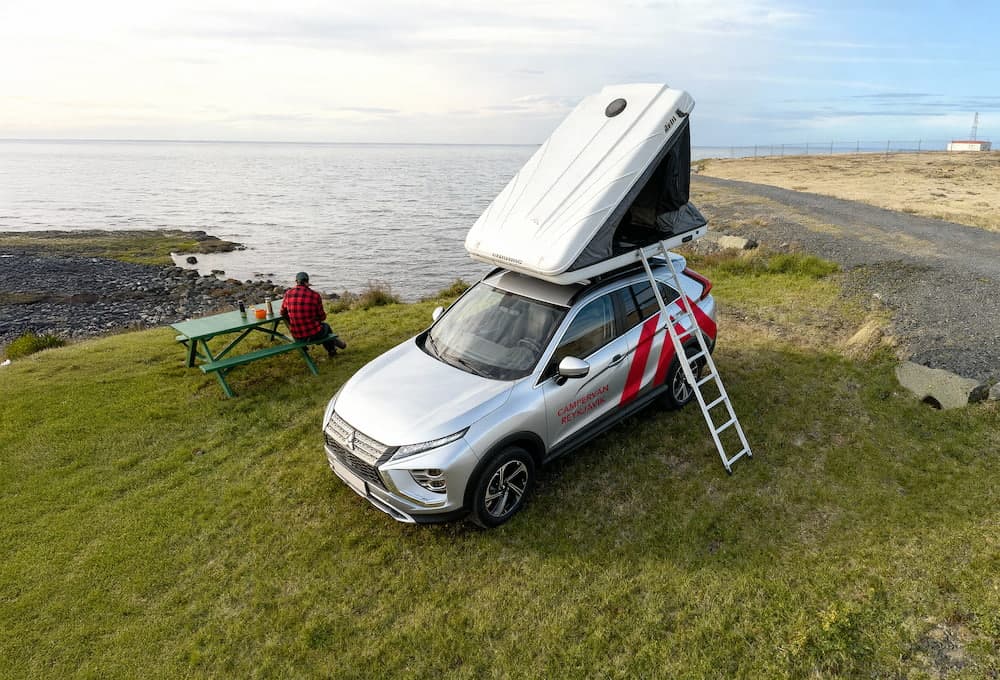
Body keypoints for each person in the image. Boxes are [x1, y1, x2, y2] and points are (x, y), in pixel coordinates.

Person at [280, 272, 346, 357]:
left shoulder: (288, 294)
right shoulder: (315, 295)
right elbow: (322, 317)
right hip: (313, 334)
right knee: (326, 327)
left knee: (321, 327)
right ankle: (332, 350)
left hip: (297, 335)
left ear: (296, 281)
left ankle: (334, 343)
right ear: (307, 281)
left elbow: (282, 313)